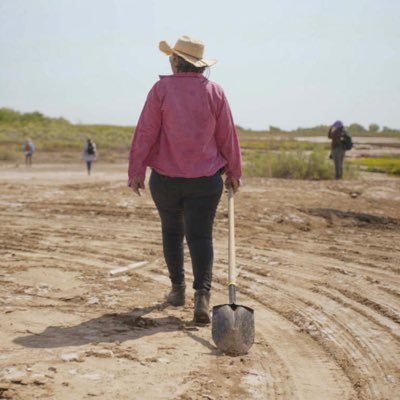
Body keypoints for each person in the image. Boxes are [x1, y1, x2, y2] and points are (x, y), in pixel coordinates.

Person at [128, 35, 242, 324]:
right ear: (200, 66)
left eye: (172, 57)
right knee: (200, 236)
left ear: (177, 62)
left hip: (165, 180)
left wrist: (136, 170)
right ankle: (201, 298)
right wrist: (234, 171)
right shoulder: (215, 91)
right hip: (205, 180)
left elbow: (145, 132)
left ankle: (177, 290)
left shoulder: (160, 89)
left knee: (172, 231)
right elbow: (227, 134)